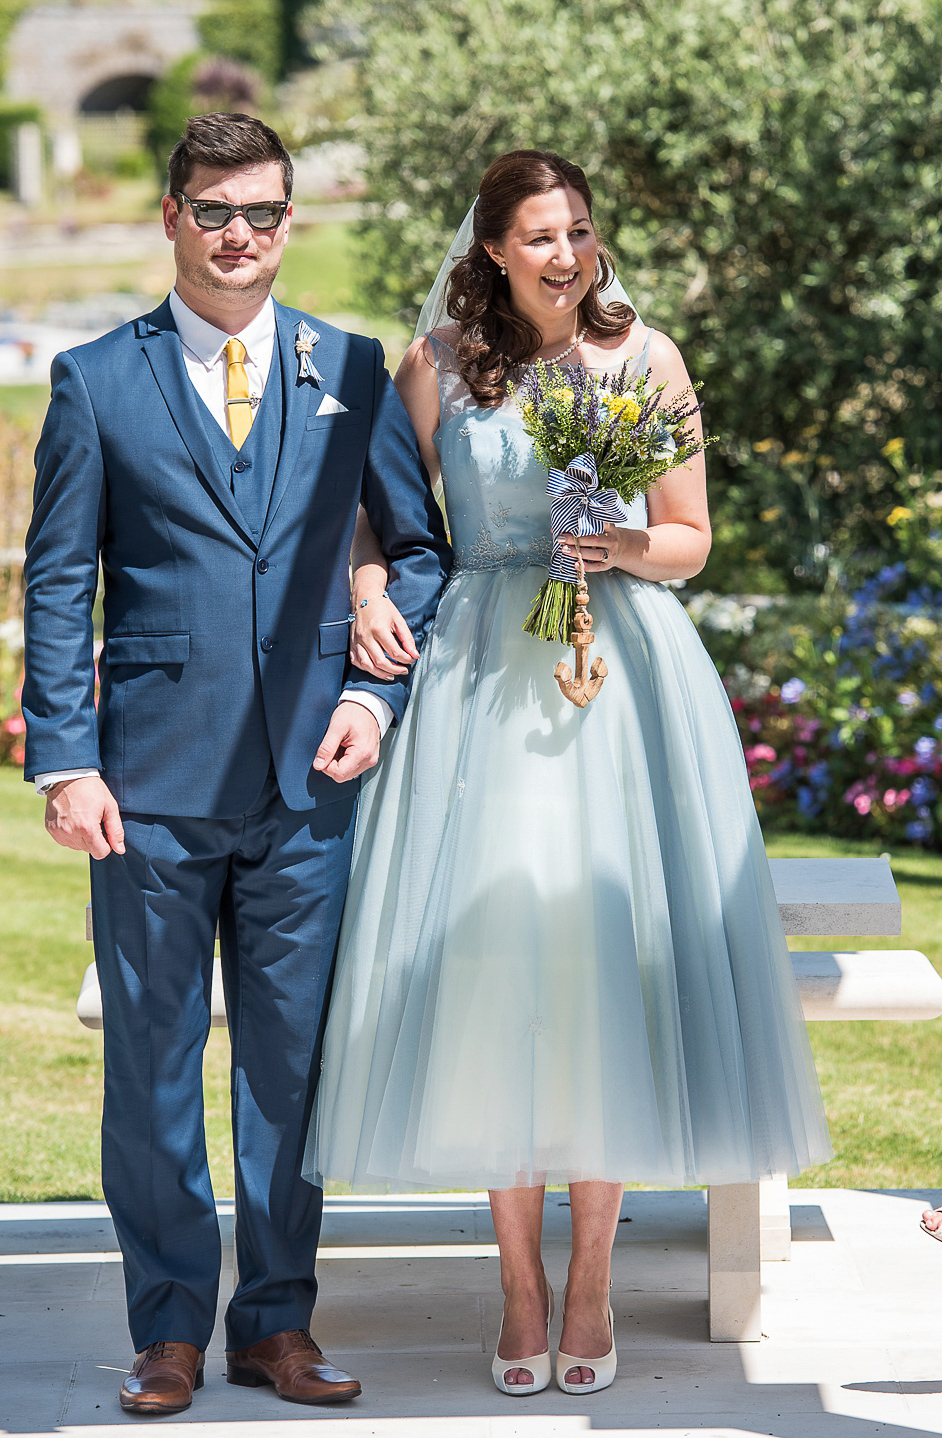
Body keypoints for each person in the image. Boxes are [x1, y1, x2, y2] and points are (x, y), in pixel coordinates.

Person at [304, 149, 832, 1397]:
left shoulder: (645, 356)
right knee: (496, 972)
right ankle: (518, 1285)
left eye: (579, 231)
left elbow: (694, 538)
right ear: (491, 246)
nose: (565, 255)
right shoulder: (437, 362)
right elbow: (377, 511)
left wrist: (628, 541)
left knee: (605, 964)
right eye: (538, 236)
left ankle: (590, 1280)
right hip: (481, 680)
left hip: (621, 678)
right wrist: (372, 583)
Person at [21, 112, 450, 1415]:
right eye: (214, 209)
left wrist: (378, 694)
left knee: (290, 1075)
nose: (239, 235)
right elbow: (59, 585)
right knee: (149, 1072)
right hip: (145, 789)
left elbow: (417, 550)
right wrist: (64, 761)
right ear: (172, 217)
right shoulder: (96, 380)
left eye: (262, 211)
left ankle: (276, 1324)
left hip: (308, 781)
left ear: (288, 220)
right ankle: (165, 1330)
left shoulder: (351, 366)